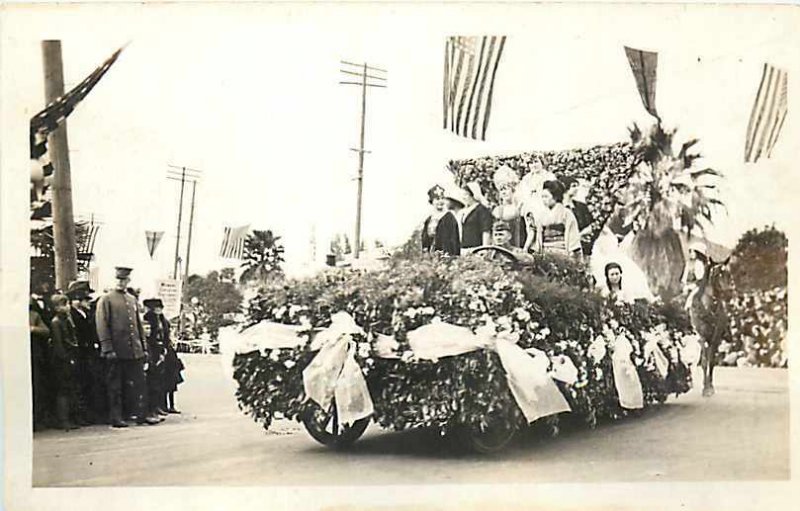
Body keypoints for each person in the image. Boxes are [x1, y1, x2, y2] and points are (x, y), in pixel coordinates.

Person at [95, 267, 160, 427]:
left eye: (124, 280)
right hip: (117, 350)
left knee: (140, 383)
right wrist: (108, 348)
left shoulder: (131, 299)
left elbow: (137, 325)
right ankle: (116, 417)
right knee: (115, 386)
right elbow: (102, 325)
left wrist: (143, 347)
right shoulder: (106, 299)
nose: (121, 283)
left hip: (134, 350)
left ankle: (141, 414)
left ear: (128, 281)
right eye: (118, 279)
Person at [67, 280, 106, 424]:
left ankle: (87, 415)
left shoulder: (85, 313)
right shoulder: (72, 315)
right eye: (86, 298)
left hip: (88, 353)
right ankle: (79, 416)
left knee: (89, 383)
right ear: (76, 299)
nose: (88, 301)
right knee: (80, 385)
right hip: (81, 354)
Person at [49, 294, 81, 430]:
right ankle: (63, 420)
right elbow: (59, 345)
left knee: (69, 389)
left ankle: (70, 418)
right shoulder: (56, 322)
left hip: (69, 357)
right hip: (62, 360)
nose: (67, 307)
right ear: (57, 307)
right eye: (63, 304)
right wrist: (68, 358)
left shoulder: (66, 320)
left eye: (67, 304)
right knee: (63, 390)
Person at [534, 180, 582, 258]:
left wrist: (571, 253)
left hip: (562, 252)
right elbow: (539, 237)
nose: (543, 200)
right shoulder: (542, 214)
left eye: (546, 197)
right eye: (542, 197)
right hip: (545, 252)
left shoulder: (566, 213)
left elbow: (573, 237)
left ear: (555, 197)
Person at [143, 298, 170, 419]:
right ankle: (152, 408)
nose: (159, 310)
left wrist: (164, 348)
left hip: (160, 349)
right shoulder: (149, 318)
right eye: (157, 308)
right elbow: (151, 336)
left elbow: (165, 335)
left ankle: (158, 406)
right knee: (152, 381)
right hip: (152, 350)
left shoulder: (162, 319)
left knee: (160, 380)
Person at [491, 165, 527, 249]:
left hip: (517, 244)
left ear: (512, 190)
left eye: (506, 189)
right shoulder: (497, 210)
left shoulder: (520, 207)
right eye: (501, 190)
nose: (504, 192)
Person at [421, 185, 461, 256]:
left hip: (445, 254)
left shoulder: (449, 217)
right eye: (437, 199)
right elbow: (425, 240)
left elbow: (454, 239)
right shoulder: (429, 220)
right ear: (432, 201)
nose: (440, 201)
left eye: (442, 198)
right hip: (431, 255)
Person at [559, 176, 594, 257]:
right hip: (563, 247)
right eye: (573, 186)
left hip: (582, 247)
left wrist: (579, 235)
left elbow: (590, 226)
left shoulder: (581, 206)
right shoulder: (557, 208)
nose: (577, 188)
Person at [29, 298, 51, 431]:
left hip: (33, 355)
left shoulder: (34, 315)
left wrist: (32, 329)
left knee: (36, 387)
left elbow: (45, 331)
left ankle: (36, 420)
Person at [459, 182, 493, 250]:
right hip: (465, 248)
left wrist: (484, 249)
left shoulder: (482, 210)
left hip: (477, 248)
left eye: (466, 195)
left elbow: (486, 231)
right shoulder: (465, 211)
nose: (463, 197)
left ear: (473, 195)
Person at [682, 240, 709, 310]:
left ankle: (687, 310)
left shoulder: (699, 264)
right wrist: (685, 285)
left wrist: (691, 286)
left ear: (697, 253)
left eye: (693, 252)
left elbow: (700, 279)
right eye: (690, 252)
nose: (691, 254)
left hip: (697, 286)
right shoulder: (689, 263)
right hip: (688, 285)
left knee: (690, 298)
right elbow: (684, 277)